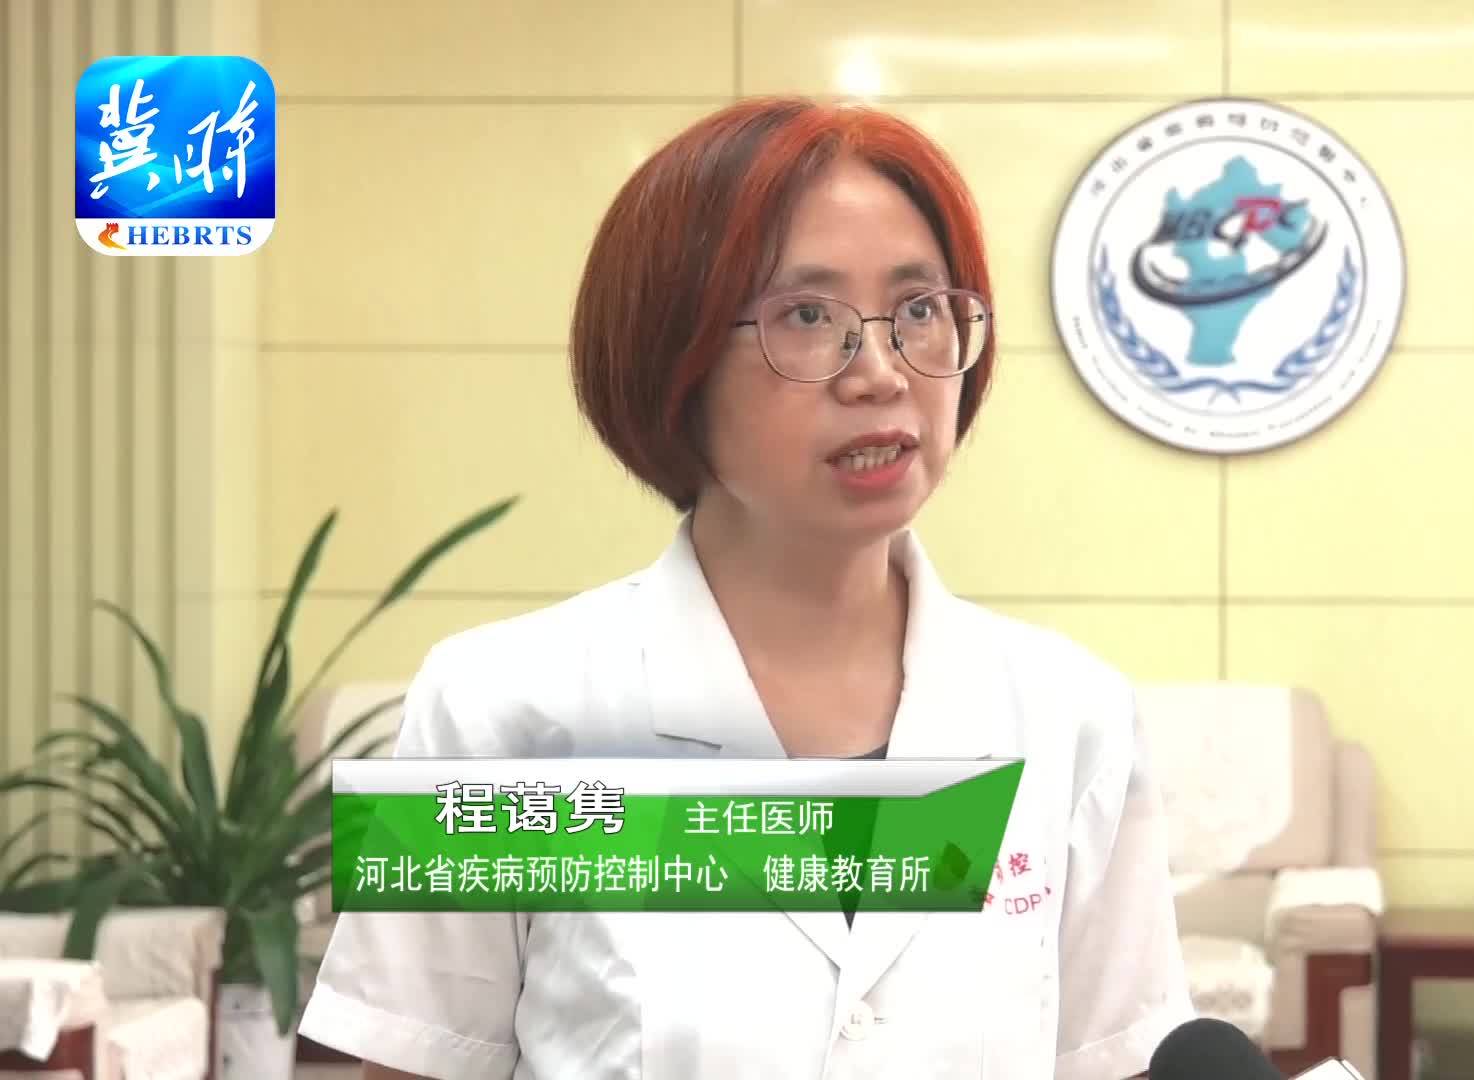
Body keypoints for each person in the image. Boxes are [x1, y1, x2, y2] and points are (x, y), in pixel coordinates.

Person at [299, 96, 1194, 1080]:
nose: (880, 373)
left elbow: (1117, 1060)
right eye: (806, 317)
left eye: (919, 311)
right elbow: (405, 1061)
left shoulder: (1074, 715)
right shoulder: (490, 705)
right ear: (671, 364)